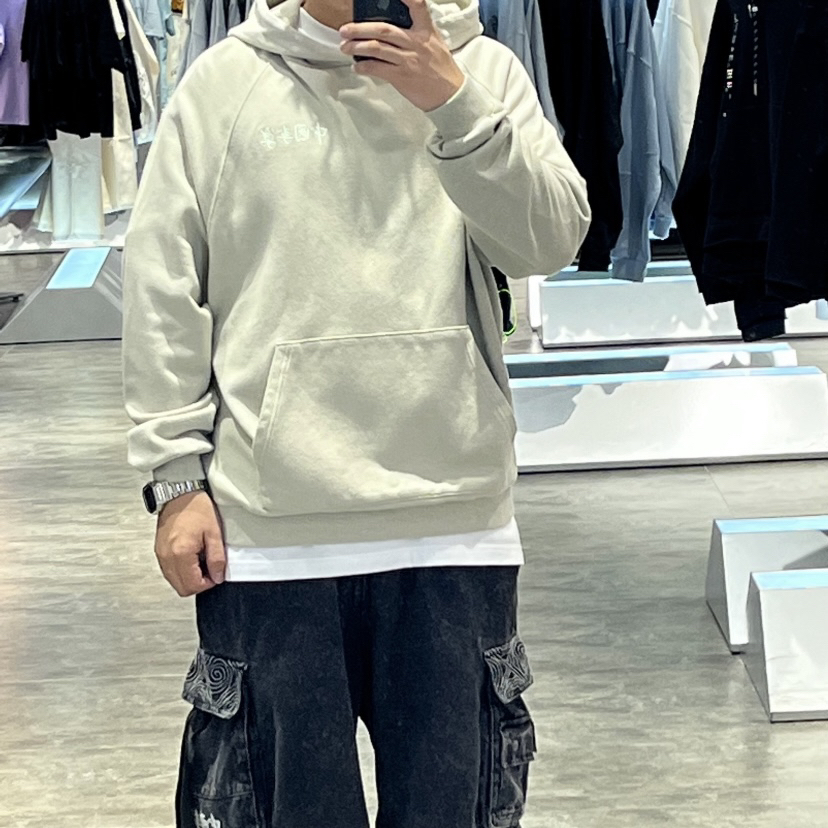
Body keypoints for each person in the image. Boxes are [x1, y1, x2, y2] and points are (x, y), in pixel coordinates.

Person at [122, 0, 590, 824]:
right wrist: (175, 478)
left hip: (453, 525)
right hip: (271, 536)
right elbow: (164, 287)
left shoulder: (482, 72)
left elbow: (550, 240)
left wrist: (454, 105)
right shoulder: (224, 85)